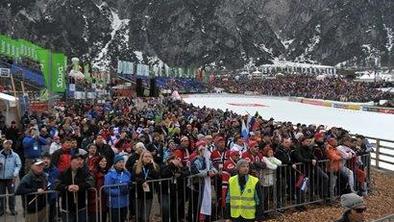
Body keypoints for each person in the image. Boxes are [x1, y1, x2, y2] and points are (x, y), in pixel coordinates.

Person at [55, 153, 94, 222]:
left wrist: (79, 187)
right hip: (67, 207)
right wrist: (67, 187)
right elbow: (56, 184)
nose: (80, 161)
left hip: (81, 206)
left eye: (81, 160)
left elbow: (91, 182)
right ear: (71, 161)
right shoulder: (64, 173)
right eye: (77, 159)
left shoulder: (84, 172)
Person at [133, 151, 160, 222]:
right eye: (146, 156)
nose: (148, 158)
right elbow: (134, 177)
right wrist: (142, 181)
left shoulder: (155, 166)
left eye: (149, 156)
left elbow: (156, 177)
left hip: (149, 194)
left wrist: (151, 165)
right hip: (138, 194)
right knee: (138, 216)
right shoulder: (136, 166)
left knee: (145, 217)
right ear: (142, 158)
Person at [104, 155, 132, 222]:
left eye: (122, 162)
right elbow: (106, 189)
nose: (121, 163)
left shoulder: (127, 173)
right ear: (115, 164)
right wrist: (120, 191)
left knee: (123, 219)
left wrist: (129, 186)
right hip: (114, 204)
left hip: (125, 202)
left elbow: (129, 183)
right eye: (119, 162)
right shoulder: (109, 175)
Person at [0, 140, 21, 216]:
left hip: (11, 178)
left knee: (12, 194)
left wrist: (15, 174)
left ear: (11, 145)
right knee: (1, 195)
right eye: (6, 144)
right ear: (3, 145)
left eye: (9, 144)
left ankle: (12, 209)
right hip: (1, 178)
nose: (8, 145)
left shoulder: (15, 155)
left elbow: (18, 165)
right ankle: (2, 209)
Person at [88, 156, 108, 222]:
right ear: (97, 162)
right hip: (95, 202)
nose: (104, 163)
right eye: (102, 161)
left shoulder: (106, 172)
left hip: (103, 201)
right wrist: (96, 196)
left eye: (105, 161)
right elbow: (91, 187)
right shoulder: (93, 173)